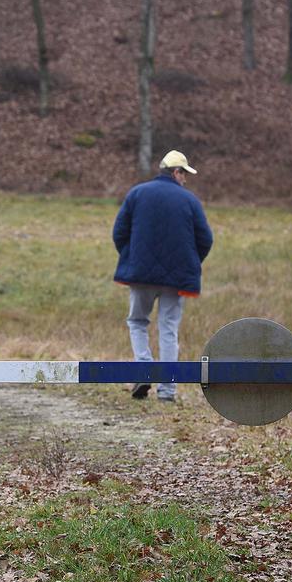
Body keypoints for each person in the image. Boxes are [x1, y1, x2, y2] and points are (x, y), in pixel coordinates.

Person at [112, 150, 213, 402]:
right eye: (184, 174)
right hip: (176, 280)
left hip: (140, 275)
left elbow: (119, 232)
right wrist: (189, 263)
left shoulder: (137, 193)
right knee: (168, 328)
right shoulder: (189, 201)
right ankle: (167, 391)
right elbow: (205, 240)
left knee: (137, 322)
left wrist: (132, 258)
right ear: (176, 172)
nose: (186, 180)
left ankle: (144, 370)